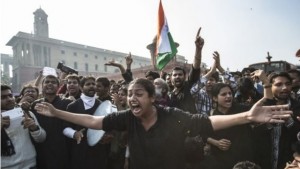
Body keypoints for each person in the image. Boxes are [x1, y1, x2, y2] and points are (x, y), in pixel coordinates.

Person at [35, 78, 292, 169]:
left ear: (151, 98)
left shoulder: (171, 116)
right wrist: (57, 114)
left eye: (137, 95)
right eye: (128, 95)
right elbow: (93, 120)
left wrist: (246, 116)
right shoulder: (126, 118)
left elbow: (207, 122)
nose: (131, 99)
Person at [202, 83, 254, 169]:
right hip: (220, 161)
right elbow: (202, 133)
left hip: (242, 161)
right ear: (215, 98)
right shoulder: (210, 115)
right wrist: (216, 142)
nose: (228, 96)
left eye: (230, 93)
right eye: (224, 94)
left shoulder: (242, 110)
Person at [64, 76, 109, 169]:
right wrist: (75, 134)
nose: (92, 86)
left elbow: (107, 126)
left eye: (93, 84)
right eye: (88, 84)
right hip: (79, 150)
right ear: (81, 87)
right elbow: (65, 128)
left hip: (98, 151)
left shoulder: (102, 105)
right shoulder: (72, 106)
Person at [30, 75, 73, 169]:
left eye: (53, 82)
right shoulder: (35, 104)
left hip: (63, 150)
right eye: (47, 82)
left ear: (58, 86)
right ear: (42, 85)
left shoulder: (67, 103)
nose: (50, 84)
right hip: (42, 150)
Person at [1, 84, 46, 169]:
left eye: (10, 96)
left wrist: (34, 128)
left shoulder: (26, 113)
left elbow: (41, 138)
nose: (9, 99)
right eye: (3, 97)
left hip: (30, 165)